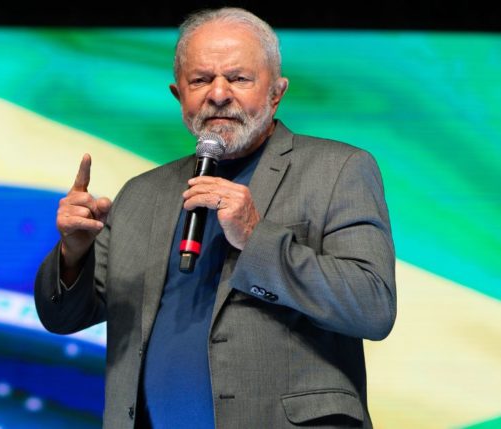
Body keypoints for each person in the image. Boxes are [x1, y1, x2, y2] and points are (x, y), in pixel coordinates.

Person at [34, 7, 396, 429]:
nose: (219, 94)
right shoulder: (141, 193)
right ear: (178, 95)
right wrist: (73, 254)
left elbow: (372, 306)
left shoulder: (338, 169)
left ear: (276, 91)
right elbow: (63, 318)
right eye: (201, 80)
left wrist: (256, 236)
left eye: (239, 78)